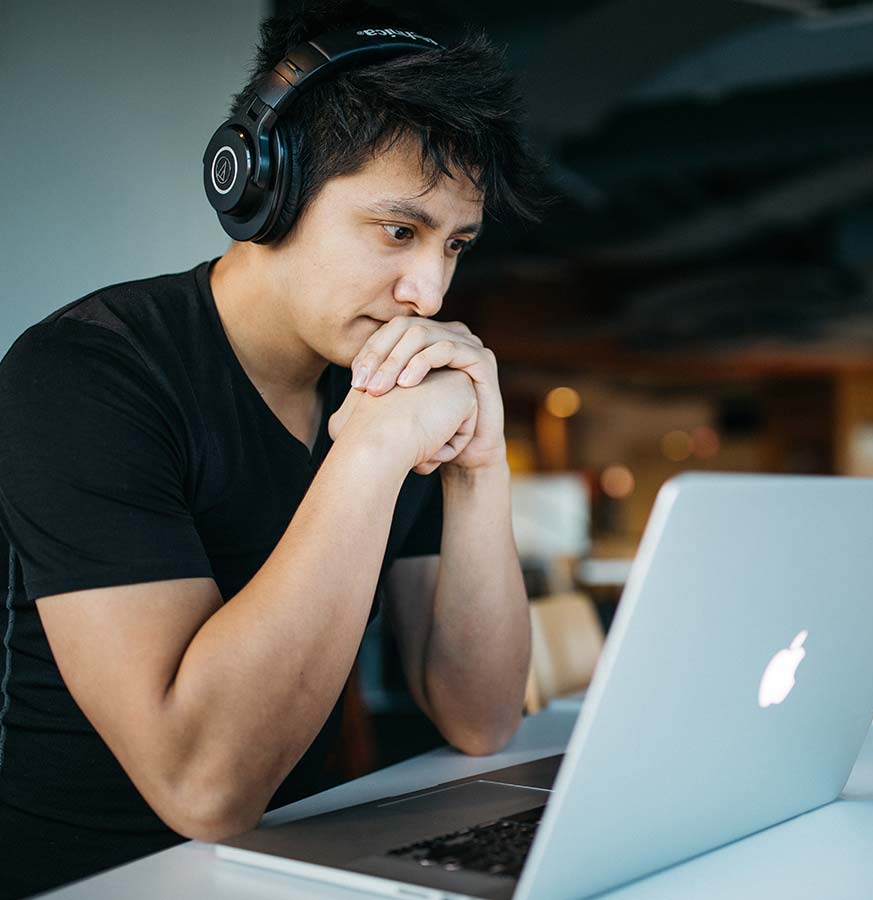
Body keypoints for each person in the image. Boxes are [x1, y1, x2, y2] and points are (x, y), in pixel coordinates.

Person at [0, 3, 545, 896]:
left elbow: (481, 719)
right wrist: (369, 454)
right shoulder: (85, 374)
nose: (429, 288)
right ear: (265, 188)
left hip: (300, 865)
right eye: (399, 231)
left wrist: (480, 469)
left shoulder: (384, 379)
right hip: (95, 879)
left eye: (457, 245)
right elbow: (203, 787)